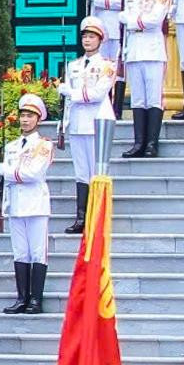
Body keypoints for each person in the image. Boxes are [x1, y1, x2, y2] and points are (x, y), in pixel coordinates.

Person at [0, 93, 55, 318]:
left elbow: (34, 173)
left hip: (36, 204)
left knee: (38, 252)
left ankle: (36, 299)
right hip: (16, 204)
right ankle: (22, 298)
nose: (25, 120)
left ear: (38, 119)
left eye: (30, 116)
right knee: (20, 252)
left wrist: (7, 171)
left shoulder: (43, 145)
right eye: (22, 115)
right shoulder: (11, 146)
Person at [61, 17, 118, 234]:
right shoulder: (73, 66)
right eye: (85, 36)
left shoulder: (107, 66)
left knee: (96, 171)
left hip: (97, 123)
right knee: (81, 172)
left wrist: (72, 93)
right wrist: (64, 123)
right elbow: (68, 102)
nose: (87, 40)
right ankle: (81, 217)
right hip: (77, 123)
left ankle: (96, 217)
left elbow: (97, 94)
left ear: (100, 40)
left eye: (92, 36)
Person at [122, 0, 174, 159]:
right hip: (134, 49)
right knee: (138, 99)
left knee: (153, 98)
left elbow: (154, 20)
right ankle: (138, 143)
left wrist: (132, 21)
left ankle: (152, 143)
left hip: (153, 50)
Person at [86, 0, 131, 117]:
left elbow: (122, 2)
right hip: (101, 28)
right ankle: (103, 106)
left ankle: (117, 108)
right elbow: (92, 8)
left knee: (118, 69)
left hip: (118, 28)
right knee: (102, 68)